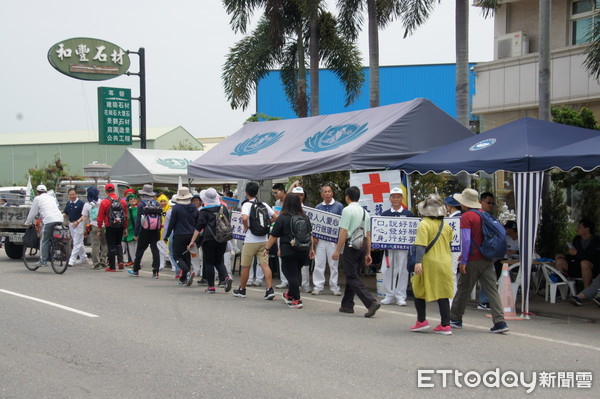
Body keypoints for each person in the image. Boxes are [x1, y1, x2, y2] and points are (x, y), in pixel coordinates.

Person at [449, 188, 508, 333]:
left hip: (473, 259)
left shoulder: (467, 217)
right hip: (487, 258)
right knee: (492, 290)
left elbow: (466, 240)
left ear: (464, 203)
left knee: (464, 289)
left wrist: (464, 260)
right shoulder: (484, 214)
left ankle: (455, 318)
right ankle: (500, 322)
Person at [409, 194, 455, 335]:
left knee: (418, 288)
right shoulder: (446, 226)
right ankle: (445, 324)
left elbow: (421, 246)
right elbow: (449, 244)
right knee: (443, 293)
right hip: (445, 261)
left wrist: (418, 262)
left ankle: (421, 321)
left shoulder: (424, 224)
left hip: (429, 262)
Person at [332, 186, 380, 318]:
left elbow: (344, 232)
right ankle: (347, 305)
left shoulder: (347, 210)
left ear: (347, 197)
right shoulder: (365, 213)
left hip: (351, 246)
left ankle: (370, 302)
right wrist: (368, 253)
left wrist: (337, 250)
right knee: (352, 275)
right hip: (362, 246)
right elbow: (368, 235)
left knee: (352, 276)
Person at [265, 193, 315, 308]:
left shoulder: (283, 217)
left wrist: (267, 248)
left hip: (288, 250)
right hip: (303, 250)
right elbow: (310, 234)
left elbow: (273, 235)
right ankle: (289, 295)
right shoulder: (305, 217)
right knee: (296, 272)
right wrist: (311, 249)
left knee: (290, 274)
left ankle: (297, 300)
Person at [233, 181, 276, 300]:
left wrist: (246, 226)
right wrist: (268, 223)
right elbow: (275, 217)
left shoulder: (246, 205)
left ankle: (242, 289)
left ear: (246, 193)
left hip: (251, 240)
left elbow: (245, 217)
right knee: (265, 265)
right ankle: (269, 289)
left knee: (246, 266)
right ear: (257, 192)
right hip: (264, 240)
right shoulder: (264, 205)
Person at [188, 188, 233, 293]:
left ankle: (211, 287)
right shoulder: (224, 208)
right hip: (222, 238)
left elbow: (199, 228)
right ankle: (226, 277)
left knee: (209, 262)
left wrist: (192, 241)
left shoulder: (204, 211)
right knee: (219, 260)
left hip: (208, 239)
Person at [379, 187, 414, 305]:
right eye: (393, 197)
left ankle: (400, 296)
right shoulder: (385, 214)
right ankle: (389, 295)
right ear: (390, 199)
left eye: (398, 197)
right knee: (388, 270)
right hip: (388, 249)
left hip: (403, 249)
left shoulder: (408, 214)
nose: (396, 199)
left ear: (402, 198)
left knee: (403, 270)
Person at [311, 184, 344, 296]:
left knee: (333, 264)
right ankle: (318, 286)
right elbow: (314, 224)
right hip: (320, 240)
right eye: (325, 192)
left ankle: (334, 287)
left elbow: (342, 224)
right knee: (319, 263)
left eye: (329, 191)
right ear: (321, 194)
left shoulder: (339, 206)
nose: (327, 193)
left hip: (333, 241)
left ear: (332, 193)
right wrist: (314, 236)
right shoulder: (318, 207)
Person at [24, 184, 63, 267]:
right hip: (59, 218)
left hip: (49, 220)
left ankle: (43, 261)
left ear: (37, 192)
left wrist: (27, 222)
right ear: (45, 191)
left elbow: (33, 212)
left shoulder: (37, 198)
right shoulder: (52, 197)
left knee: (43, 239)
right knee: (54, 236)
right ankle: (57, 247)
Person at [166, 187, 198, 286]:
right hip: (191, 235)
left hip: (179, 234)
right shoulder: (194, 207)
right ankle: (183, 278)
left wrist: (166, 236)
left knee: (177, 256)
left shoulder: (176, 208)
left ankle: (187, 272)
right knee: (186, 255)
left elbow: (172, 223)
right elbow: (197, 222)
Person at [556, 219, 600, 288]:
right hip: (577, 266)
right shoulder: (577, 239)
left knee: (584, 263)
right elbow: (573, 255)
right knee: (559, 261)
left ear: (587, 229)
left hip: (592, 269)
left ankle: (587, 291)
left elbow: (593, 258)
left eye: (579, 227)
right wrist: (564, 256)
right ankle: (561, 289)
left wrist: (577, 253)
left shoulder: (596, 241)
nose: (577, 229)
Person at [129, 185, 161, 278]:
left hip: (144, 230)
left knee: (140, 250)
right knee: (155, 250)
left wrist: (136, 233)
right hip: (155, 230)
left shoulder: (141, 204)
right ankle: (156, 271)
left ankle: (136, 269)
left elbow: (139, 220)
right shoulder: (157, 203)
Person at [97, 183, 128, 272]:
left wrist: (99, 229)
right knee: (118, 243)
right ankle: (120, 261)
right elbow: (126, 215)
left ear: (106, 191)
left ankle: (112, 266)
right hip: (120, 225)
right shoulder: (122, 201)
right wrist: (125, 227)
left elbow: (100, 217)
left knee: (110, 245)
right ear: (114, 190)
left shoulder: (105, 202)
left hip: (109, 225)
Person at [476, 191, 495, 311]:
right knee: (466, 282)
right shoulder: (477, 216)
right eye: (488, 202)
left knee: (488, 278)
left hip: (486, 252)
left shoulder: (488, 217)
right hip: (478, 252)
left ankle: (484, 300)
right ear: (480, 202)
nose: (490, 205)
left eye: (493, 203)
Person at [82, 186, 107, 269]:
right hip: (103, 225)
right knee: (104, 243)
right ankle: (103, 260)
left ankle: (96, 263)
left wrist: (85, 229)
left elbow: (85, 219)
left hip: (94, 226)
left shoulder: (87, 205)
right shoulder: (102, 201)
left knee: (95, 245)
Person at [444, 195, 462, 306]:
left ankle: (451, 302)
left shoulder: (452, 219)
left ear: (450, 206)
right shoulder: (462, 217)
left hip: (454, 250)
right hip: (461, 249)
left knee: (451, 275)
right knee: (454, 275)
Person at [63, 188, 88, 266]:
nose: (72, 196)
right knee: (79, 242)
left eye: (73, 194)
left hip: (79, 224)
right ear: (68, 195)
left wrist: (78, 221)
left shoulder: (81, 203)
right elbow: (65, 213)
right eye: (70, 195)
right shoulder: (68, 203)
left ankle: (71, 260)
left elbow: (84, 215)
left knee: (76, 242)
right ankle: (84, 258)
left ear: (76, 194)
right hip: (71, 225)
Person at [272, 182, 288, 289]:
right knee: (280, 256)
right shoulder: (277, 203)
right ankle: (284, 280)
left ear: (282, 192)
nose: (275, 195)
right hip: (280, 231)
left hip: (289, 232)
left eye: (276, 192)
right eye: (273, 193)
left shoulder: (289, 201)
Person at [123, 193, 139, 266]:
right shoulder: (126, 210)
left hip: (138, 230)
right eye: (131, 199)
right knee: (131, 248)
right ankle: (133, 261)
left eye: (134, 199)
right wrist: (125, 229)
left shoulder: (139, 209)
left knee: (138, 247)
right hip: (129, 230)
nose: (133, 200)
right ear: (128, 201)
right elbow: (125, 220)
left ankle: (138, 261)